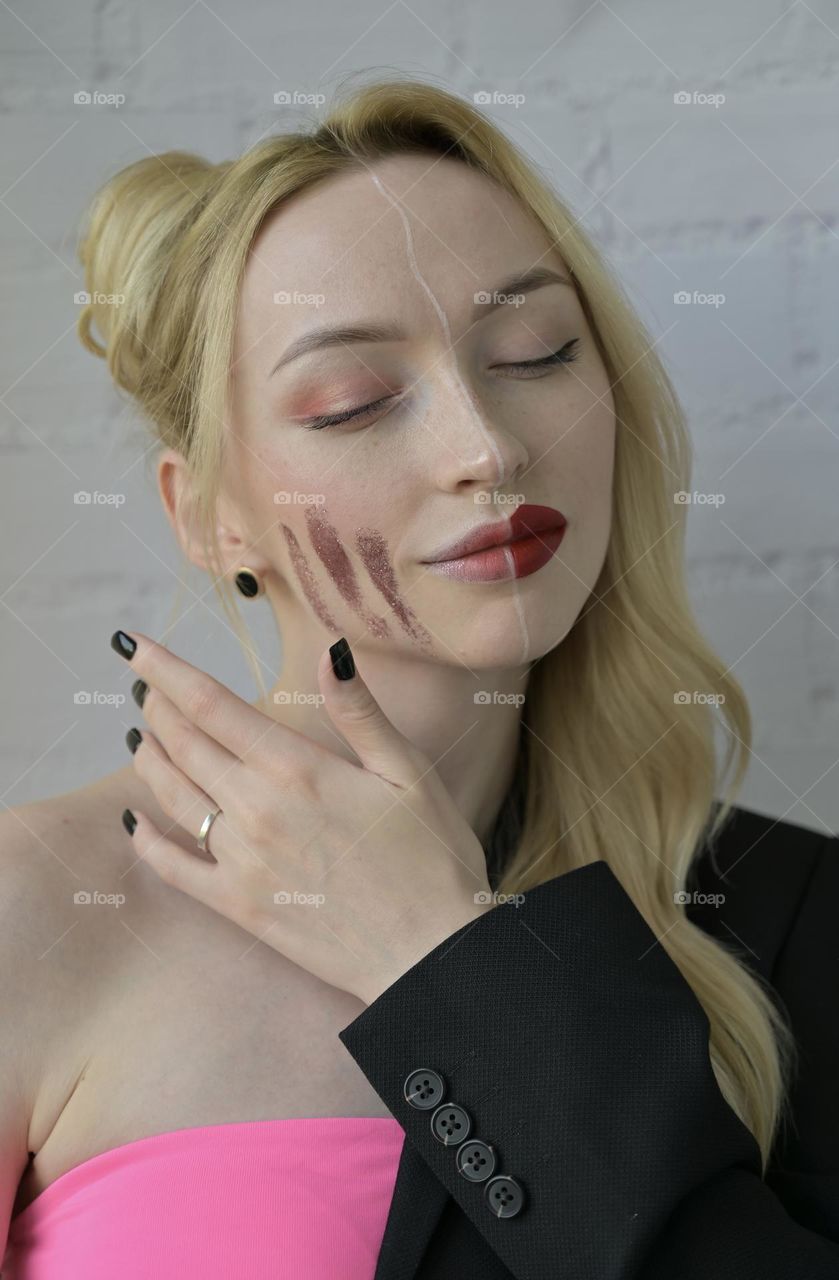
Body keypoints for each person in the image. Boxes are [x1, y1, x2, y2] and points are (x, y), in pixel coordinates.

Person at [1, 78, 836, 1279]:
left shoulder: (796, 922)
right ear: (212, 518)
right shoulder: (35, 912)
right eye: (353, 404)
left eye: (535, 352)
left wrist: (443, 965)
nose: (488, 448)